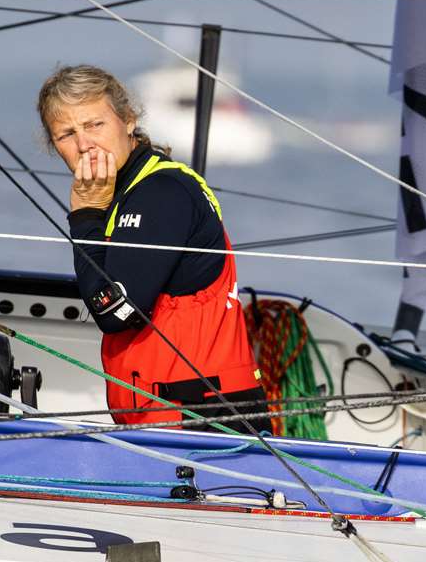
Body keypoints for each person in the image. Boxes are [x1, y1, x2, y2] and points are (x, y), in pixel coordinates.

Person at [38, 64, 267, 429]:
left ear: (128, 120)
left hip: (204, 419)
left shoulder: (160, 191)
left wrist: (85, 217)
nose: (84, 144)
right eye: (66, 134)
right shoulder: (123, 191)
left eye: (95, 124)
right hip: (163, 413)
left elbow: (115, 311)